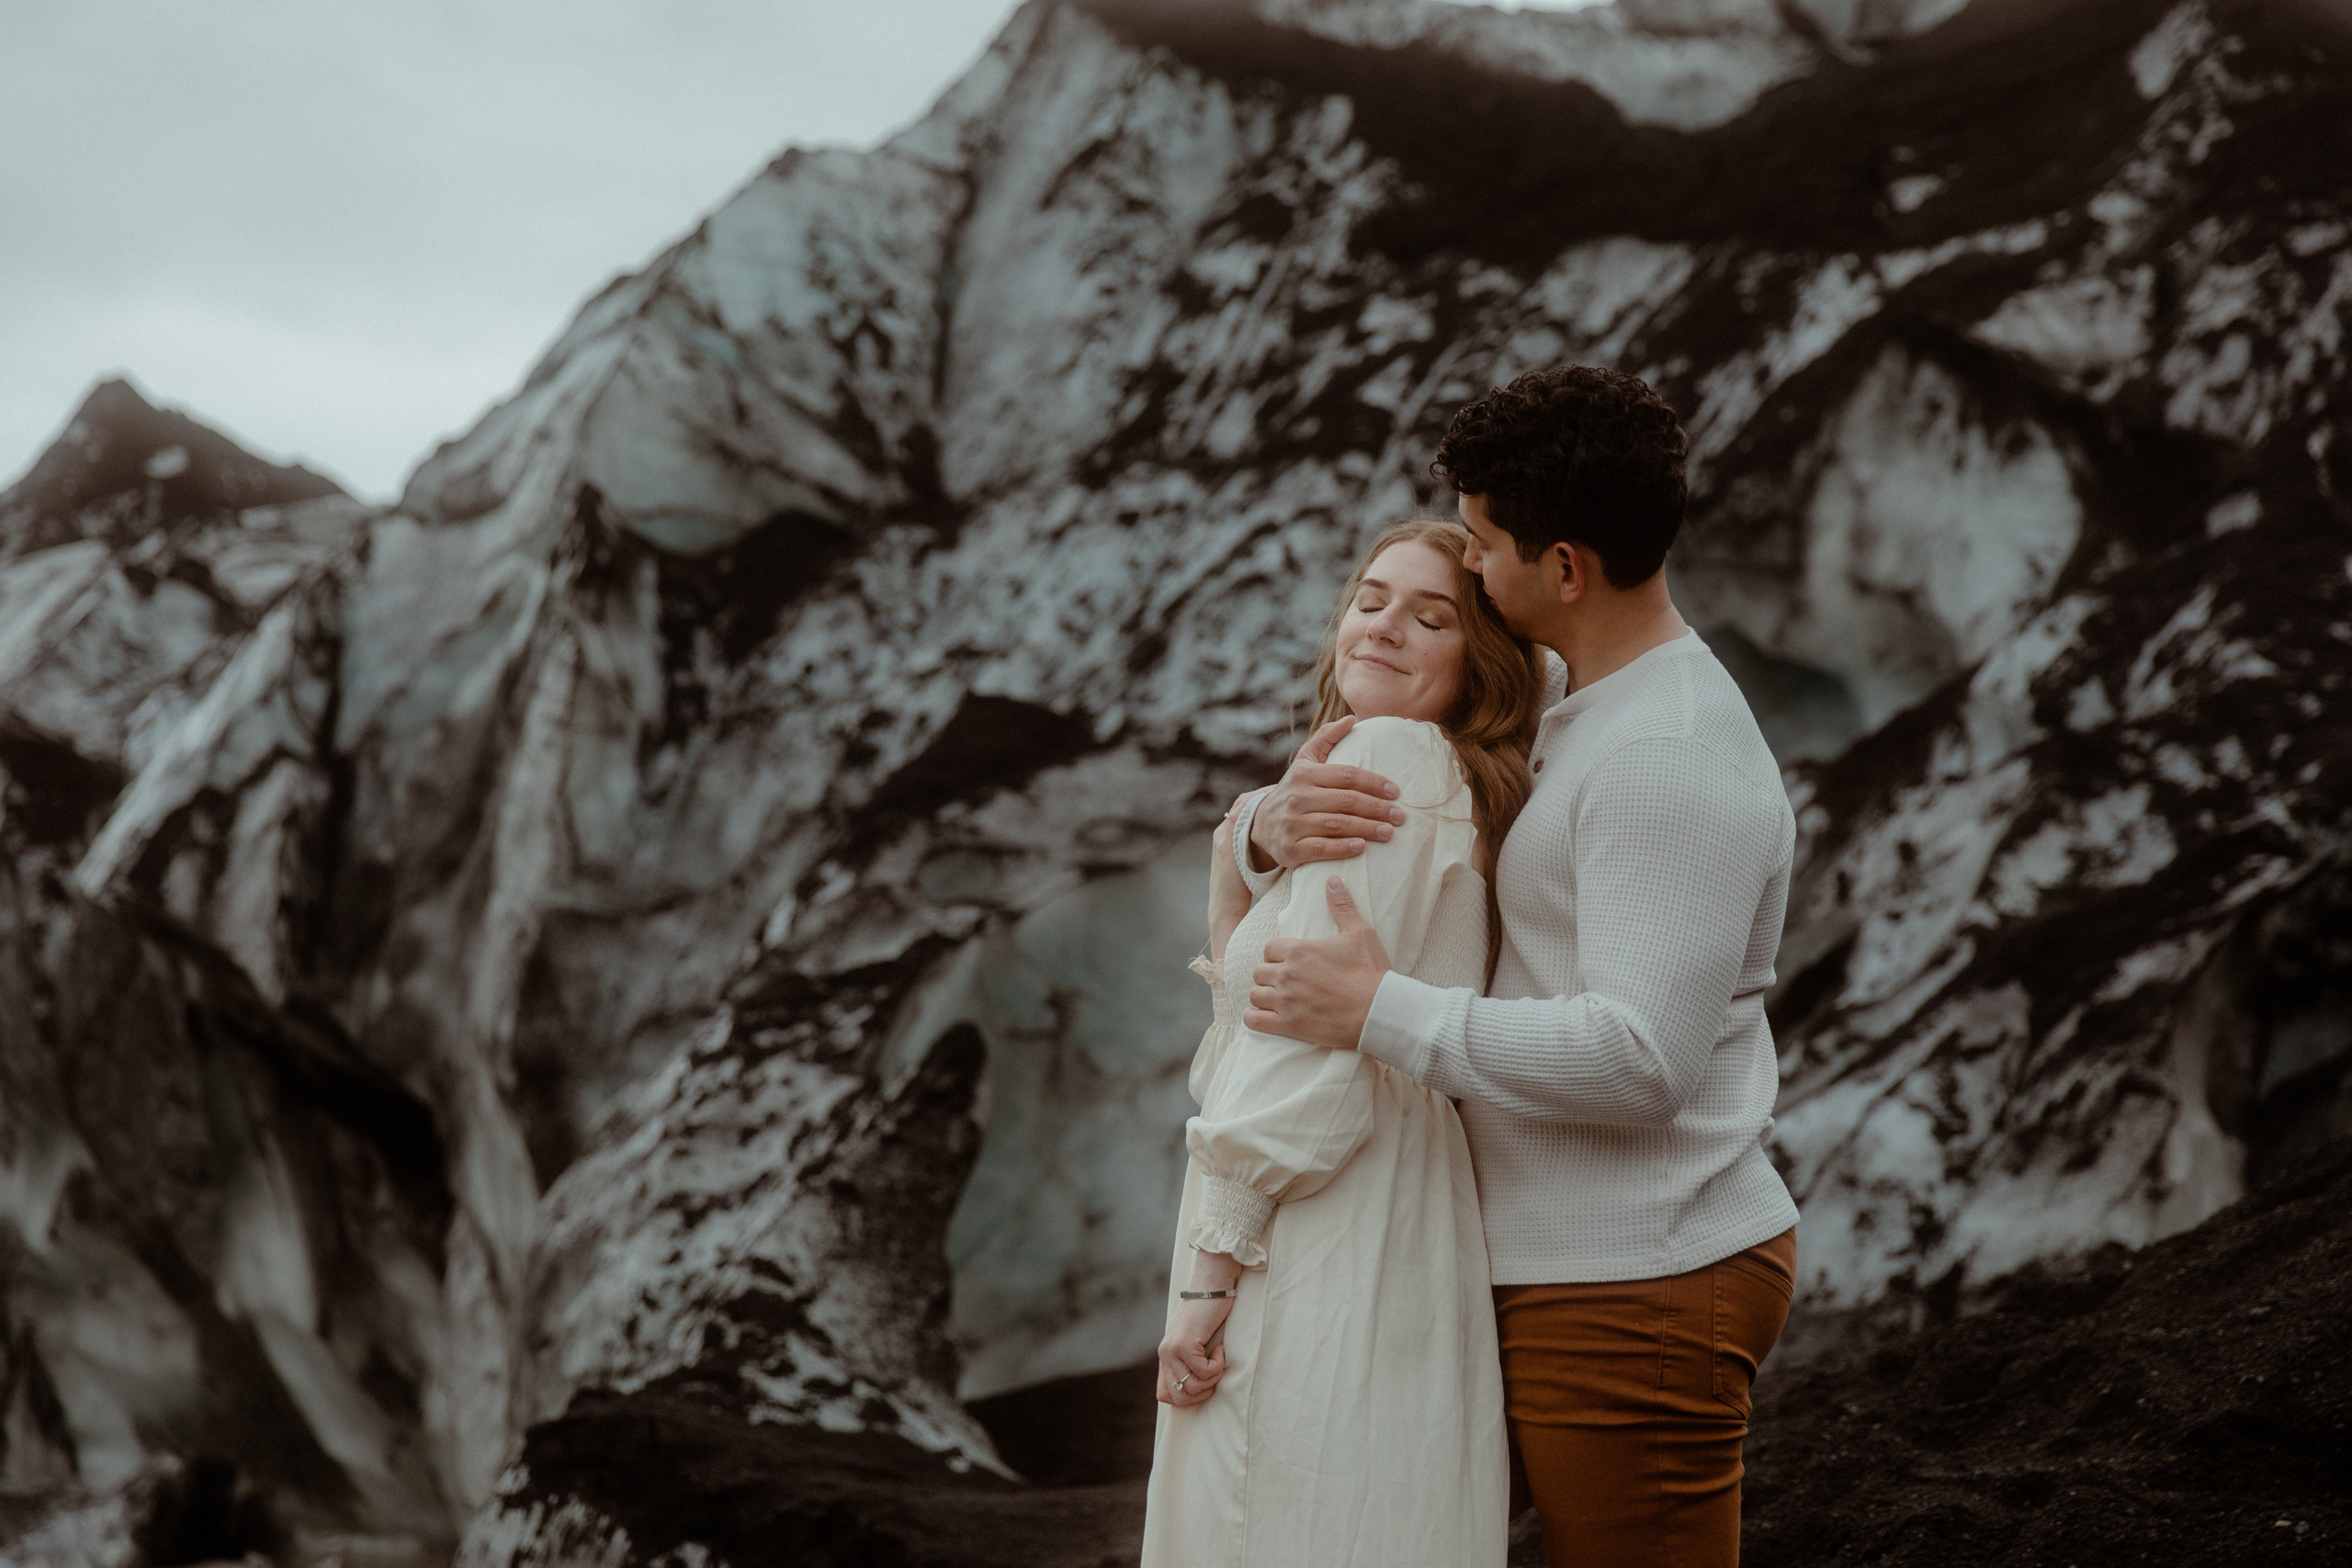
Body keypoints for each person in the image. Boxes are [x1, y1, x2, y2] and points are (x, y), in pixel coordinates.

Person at [1240, 367, 1802, 1568]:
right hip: (1576, 1265)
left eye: (1488, 546)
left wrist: (1375, 1007)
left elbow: (1639, 1057)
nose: (1473, 566)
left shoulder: (1665, 759)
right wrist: (1259, 825)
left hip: (1637, 1276)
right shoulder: (1585, 693)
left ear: (1565, 569)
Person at [1139, 519, 1544, 1568]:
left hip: (1319, 1213)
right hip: (1403, 1197)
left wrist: (1209, 1281)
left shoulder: (1388, 757)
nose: (1384, 628)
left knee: (1269, 1517)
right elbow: (1266, 1012)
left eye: (1431, 615)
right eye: (1370, 600)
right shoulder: (1440, 778)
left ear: (1478, 661)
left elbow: (1292, 1061)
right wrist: (1238, 865)